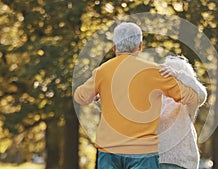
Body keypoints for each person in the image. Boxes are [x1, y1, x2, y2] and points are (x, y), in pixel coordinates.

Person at [74, 22, 200, 169]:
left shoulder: (102, 71)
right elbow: (191, 96)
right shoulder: (154, 72)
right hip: (142, 151)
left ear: (114, 47)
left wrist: (97, 93)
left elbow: (80, 97)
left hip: (109, 150)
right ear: (139, 46)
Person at [158, 55, 207, 169]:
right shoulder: (158, 98)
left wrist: (179, 74)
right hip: (158, 161)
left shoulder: (188, 102)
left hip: (182, 162)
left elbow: (202, 95)